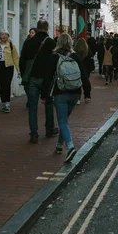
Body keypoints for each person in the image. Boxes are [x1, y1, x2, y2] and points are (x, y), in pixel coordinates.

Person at [41, 33, 81, 162]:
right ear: (70, 43)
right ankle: (59, 146)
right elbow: (84, 74)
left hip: (60, 93)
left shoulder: (54, 57)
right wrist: (88, 93)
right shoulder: (75, 56)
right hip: (75, 93)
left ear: (58, 42)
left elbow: (47, 77)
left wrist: (44, 94)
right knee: (64, 121)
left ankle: (70, 147)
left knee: (62, 121)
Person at [19, 20, 58, 144]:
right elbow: (55, 61)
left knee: (32, 106)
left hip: (32, 79)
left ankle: (34, 133)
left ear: (37, 28)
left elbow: (22, 60)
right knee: (48, 104)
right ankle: (49, 129)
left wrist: (25, 74)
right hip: (47, 79)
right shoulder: (52, 43)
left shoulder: (28, 42)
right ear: (47, 28)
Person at [0, 30, 20, 113]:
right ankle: (4, 102)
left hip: (8, 67)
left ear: (8, 36)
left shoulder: (11, 45)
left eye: (5, 34)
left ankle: (7, 103)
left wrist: (18, 70)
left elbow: (15, 58)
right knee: (1, 85)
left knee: (7, 84)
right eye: (2, 34)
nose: (3, 36)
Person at [75, 38, 92, 104]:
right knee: (86, 83)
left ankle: (78, 98)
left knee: (77, 83)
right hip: (86, 69)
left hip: (77, 69)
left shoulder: (75, 51)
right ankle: (87, 97)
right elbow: (91, 61)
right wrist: (91, 68)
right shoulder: (88, 50)